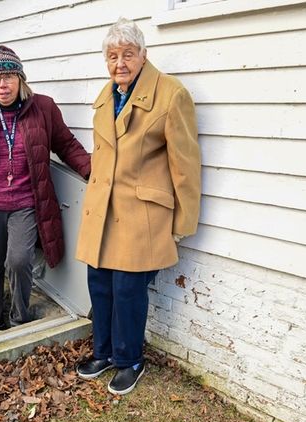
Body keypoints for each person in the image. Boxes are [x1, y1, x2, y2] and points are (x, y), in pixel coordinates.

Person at [74, 18, 202, 395]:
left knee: (128, 289)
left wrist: (183, 221)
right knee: (99, 284)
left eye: (128, 54)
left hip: (140, 212)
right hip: (103, 209)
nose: (120, 63)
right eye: (112, 56)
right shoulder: (106, 95)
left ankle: (129, 359)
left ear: (143, 55)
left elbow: (186, 165)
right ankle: (104, 352)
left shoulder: (171, 94)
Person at [0, 45, 91, 334]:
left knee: (18, 261)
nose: (3, 85)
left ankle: (18, 319)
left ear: (21, 79)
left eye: (10, 77)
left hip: (27, 203)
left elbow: (66, 144)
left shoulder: (43, 108)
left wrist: (92, 170)